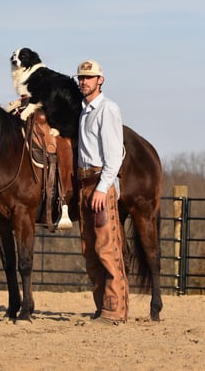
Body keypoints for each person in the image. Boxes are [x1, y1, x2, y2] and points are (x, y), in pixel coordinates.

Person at [75, 59, 128, 325]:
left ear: (100, 80)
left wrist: (102, 188)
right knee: (90, 250)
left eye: (89, 77)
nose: (83, 81)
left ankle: (114, 309)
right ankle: (101, 307)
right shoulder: (84, 110)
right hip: (85, 184)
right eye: (81, 78)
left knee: (107, 248)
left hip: (98, 185)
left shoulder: (107, 110)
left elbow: (114, 156)